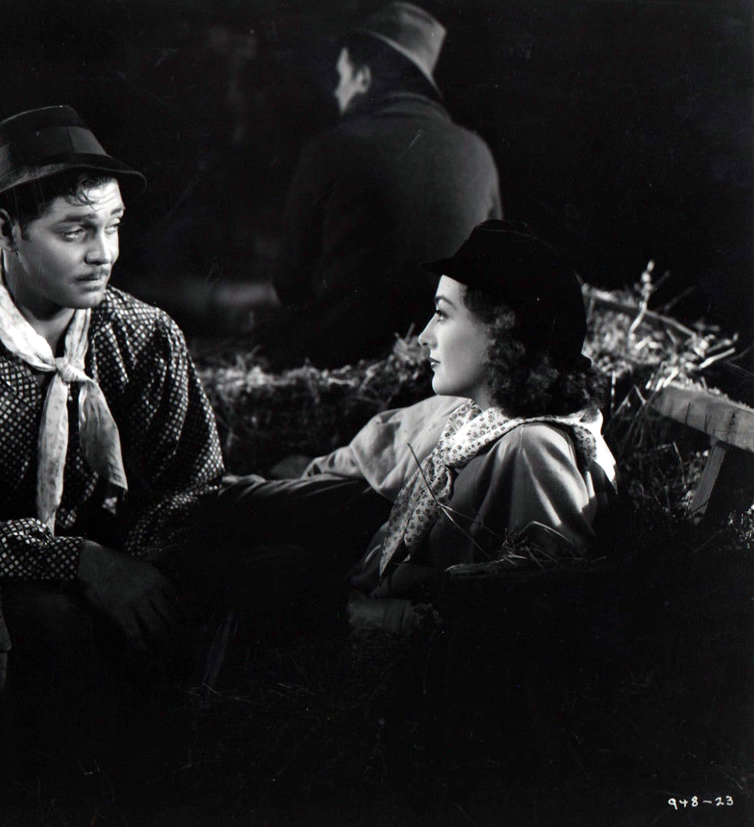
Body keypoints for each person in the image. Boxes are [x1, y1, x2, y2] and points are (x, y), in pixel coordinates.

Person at [0, 106, 225, 760]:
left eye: (113, 225)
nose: (103, 253)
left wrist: (140, 566)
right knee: (52, 623)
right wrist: (82, 563)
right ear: (7, 230)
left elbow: (192, 484)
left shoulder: (145, 336)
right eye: (75, 230)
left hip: (125, 565)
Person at [305, 219, 617, 630]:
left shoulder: (534, 447)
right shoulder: (480, 422)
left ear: (502, 332)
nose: (424, 336)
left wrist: (385, 618)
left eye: (442, 315)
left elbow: (548, 604)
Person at [264, 2, 503, 368]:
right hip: (445, 360)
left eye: (340, 76)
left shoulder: (332, 148)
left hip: (343, 362)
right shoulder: (478, 153)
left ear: (363, 76)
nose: (336, 92)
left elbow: (290, 284)